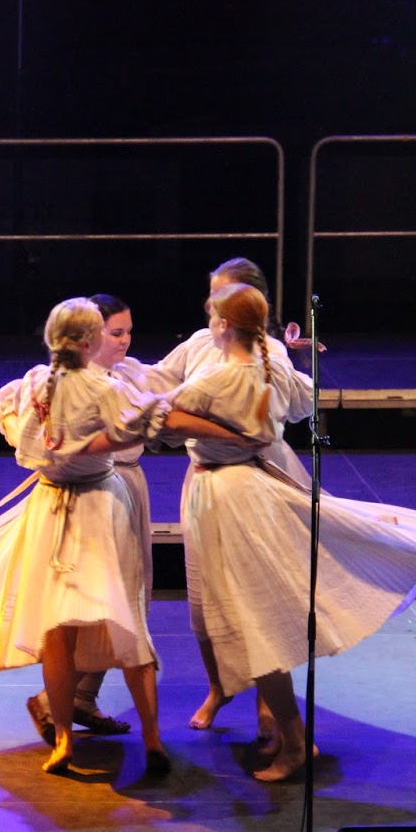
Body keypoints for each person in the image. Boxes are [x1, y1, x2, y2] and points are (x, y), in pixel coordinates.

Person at [0, 297, 249, 776]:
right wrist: (235, 435)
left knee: (59, 630)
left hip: (50, 506)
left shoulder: (38, 382)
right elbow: (163, 418)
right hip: (95, 507)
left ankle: (65, 738)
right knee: (125, 620)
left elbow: (20, 433)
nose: (123, 340)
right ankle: (150, 740)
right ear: (90, 341)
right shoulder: (102, 387)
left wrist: (52, 449)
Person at [171, 282, 416, 781]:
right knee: (254, 622)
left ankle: (295, 740)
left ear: (224, 324)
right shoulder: (273, 365)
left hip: (233, 497)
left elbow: (163, 417)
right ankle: (289, 733)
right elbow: (304, 404)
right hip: (251, 488)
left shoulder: (219, 377)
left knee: (255, 623)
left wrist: (230, 433)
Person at [132, 257, 315, 745]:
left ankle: (270, 704)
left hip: (254, 481)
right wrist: (112, 370)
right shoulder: (200, 346)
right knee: (204, 605)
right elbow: (157, 382)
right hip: (208, 481)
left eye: (221, 299)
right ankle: (222, 687)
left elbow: (163, 414)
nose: (209, 307)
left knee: (259, 599)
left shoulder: (264, 358)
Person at [23, 293, 140, 745]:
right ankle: (60, 702)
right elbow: (36, 440)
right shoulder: (61, 384)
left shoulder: (129, 375)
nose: (124, 341)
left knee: (122, 603)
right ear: (89, 339)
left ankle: (82, 698)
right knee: (91, 607)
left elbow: (176, 386)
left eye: (129, 332)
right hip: (90, 492)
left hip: (122, 490)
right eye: (115, 333)